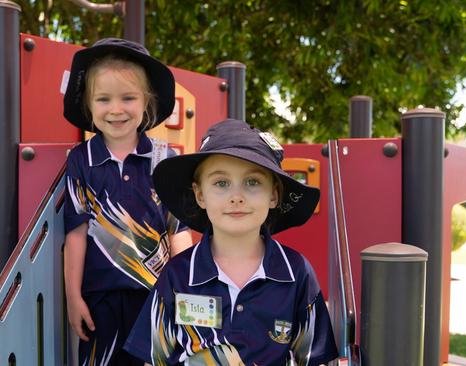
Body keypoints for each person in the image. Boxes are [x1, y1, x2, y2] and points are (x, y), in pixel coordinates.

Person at [124, 118, 339, 365]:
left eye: (252, 182)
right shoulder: (178, 275)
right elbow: (153, 359)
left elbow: (315, 359)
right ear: (200, 194)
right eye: (221, 183)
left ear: (274, 194)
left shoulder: (296, 273)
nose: (236, 196)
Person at [62, 37, 193, 365]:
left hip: (156, 296)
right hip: (99, 299)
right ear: (89, 105)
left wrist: (187, 292)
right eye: (103, 99)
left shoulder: (165, 159)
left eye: (128, 98)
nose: (116, 109)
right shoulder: (81, 160)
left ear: (146, 101)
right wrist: (72, 297)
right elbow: (75, 234)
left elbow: (178, 232)